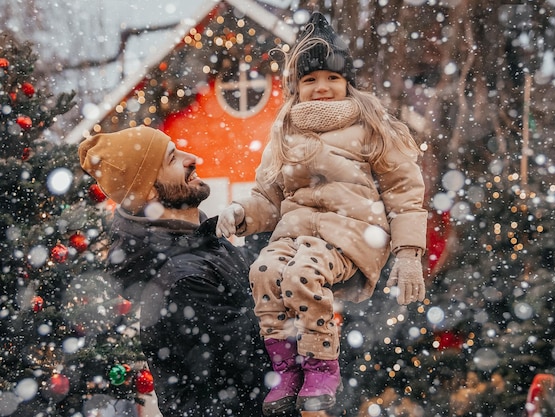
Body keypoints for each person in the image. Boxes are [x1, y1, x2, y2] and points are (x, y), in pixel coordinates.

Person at [216, 12, 428, 415]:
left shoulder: (370, 126)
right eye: (310, 80)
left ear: (347, 81)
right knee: (262, 272)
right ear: (297, 86)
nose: (322, 87)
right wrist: (241, 213)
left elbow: (404, 189)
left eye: (331, 77)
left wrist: (408, 252)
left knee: (301, 276)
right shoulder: (285, 132)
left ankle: (321, 366)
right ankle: (287, 368)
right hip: (293, 235)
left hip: (351, 232)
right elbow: (269, 195)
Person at [78, 126, 271, 417]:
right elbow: (257, 366)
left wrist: (269, 217)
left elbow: (246, 285)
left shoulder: (200, 245)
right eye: (172, 159)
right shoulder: (183, 279)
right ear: (152, 192)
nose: (192, 157)